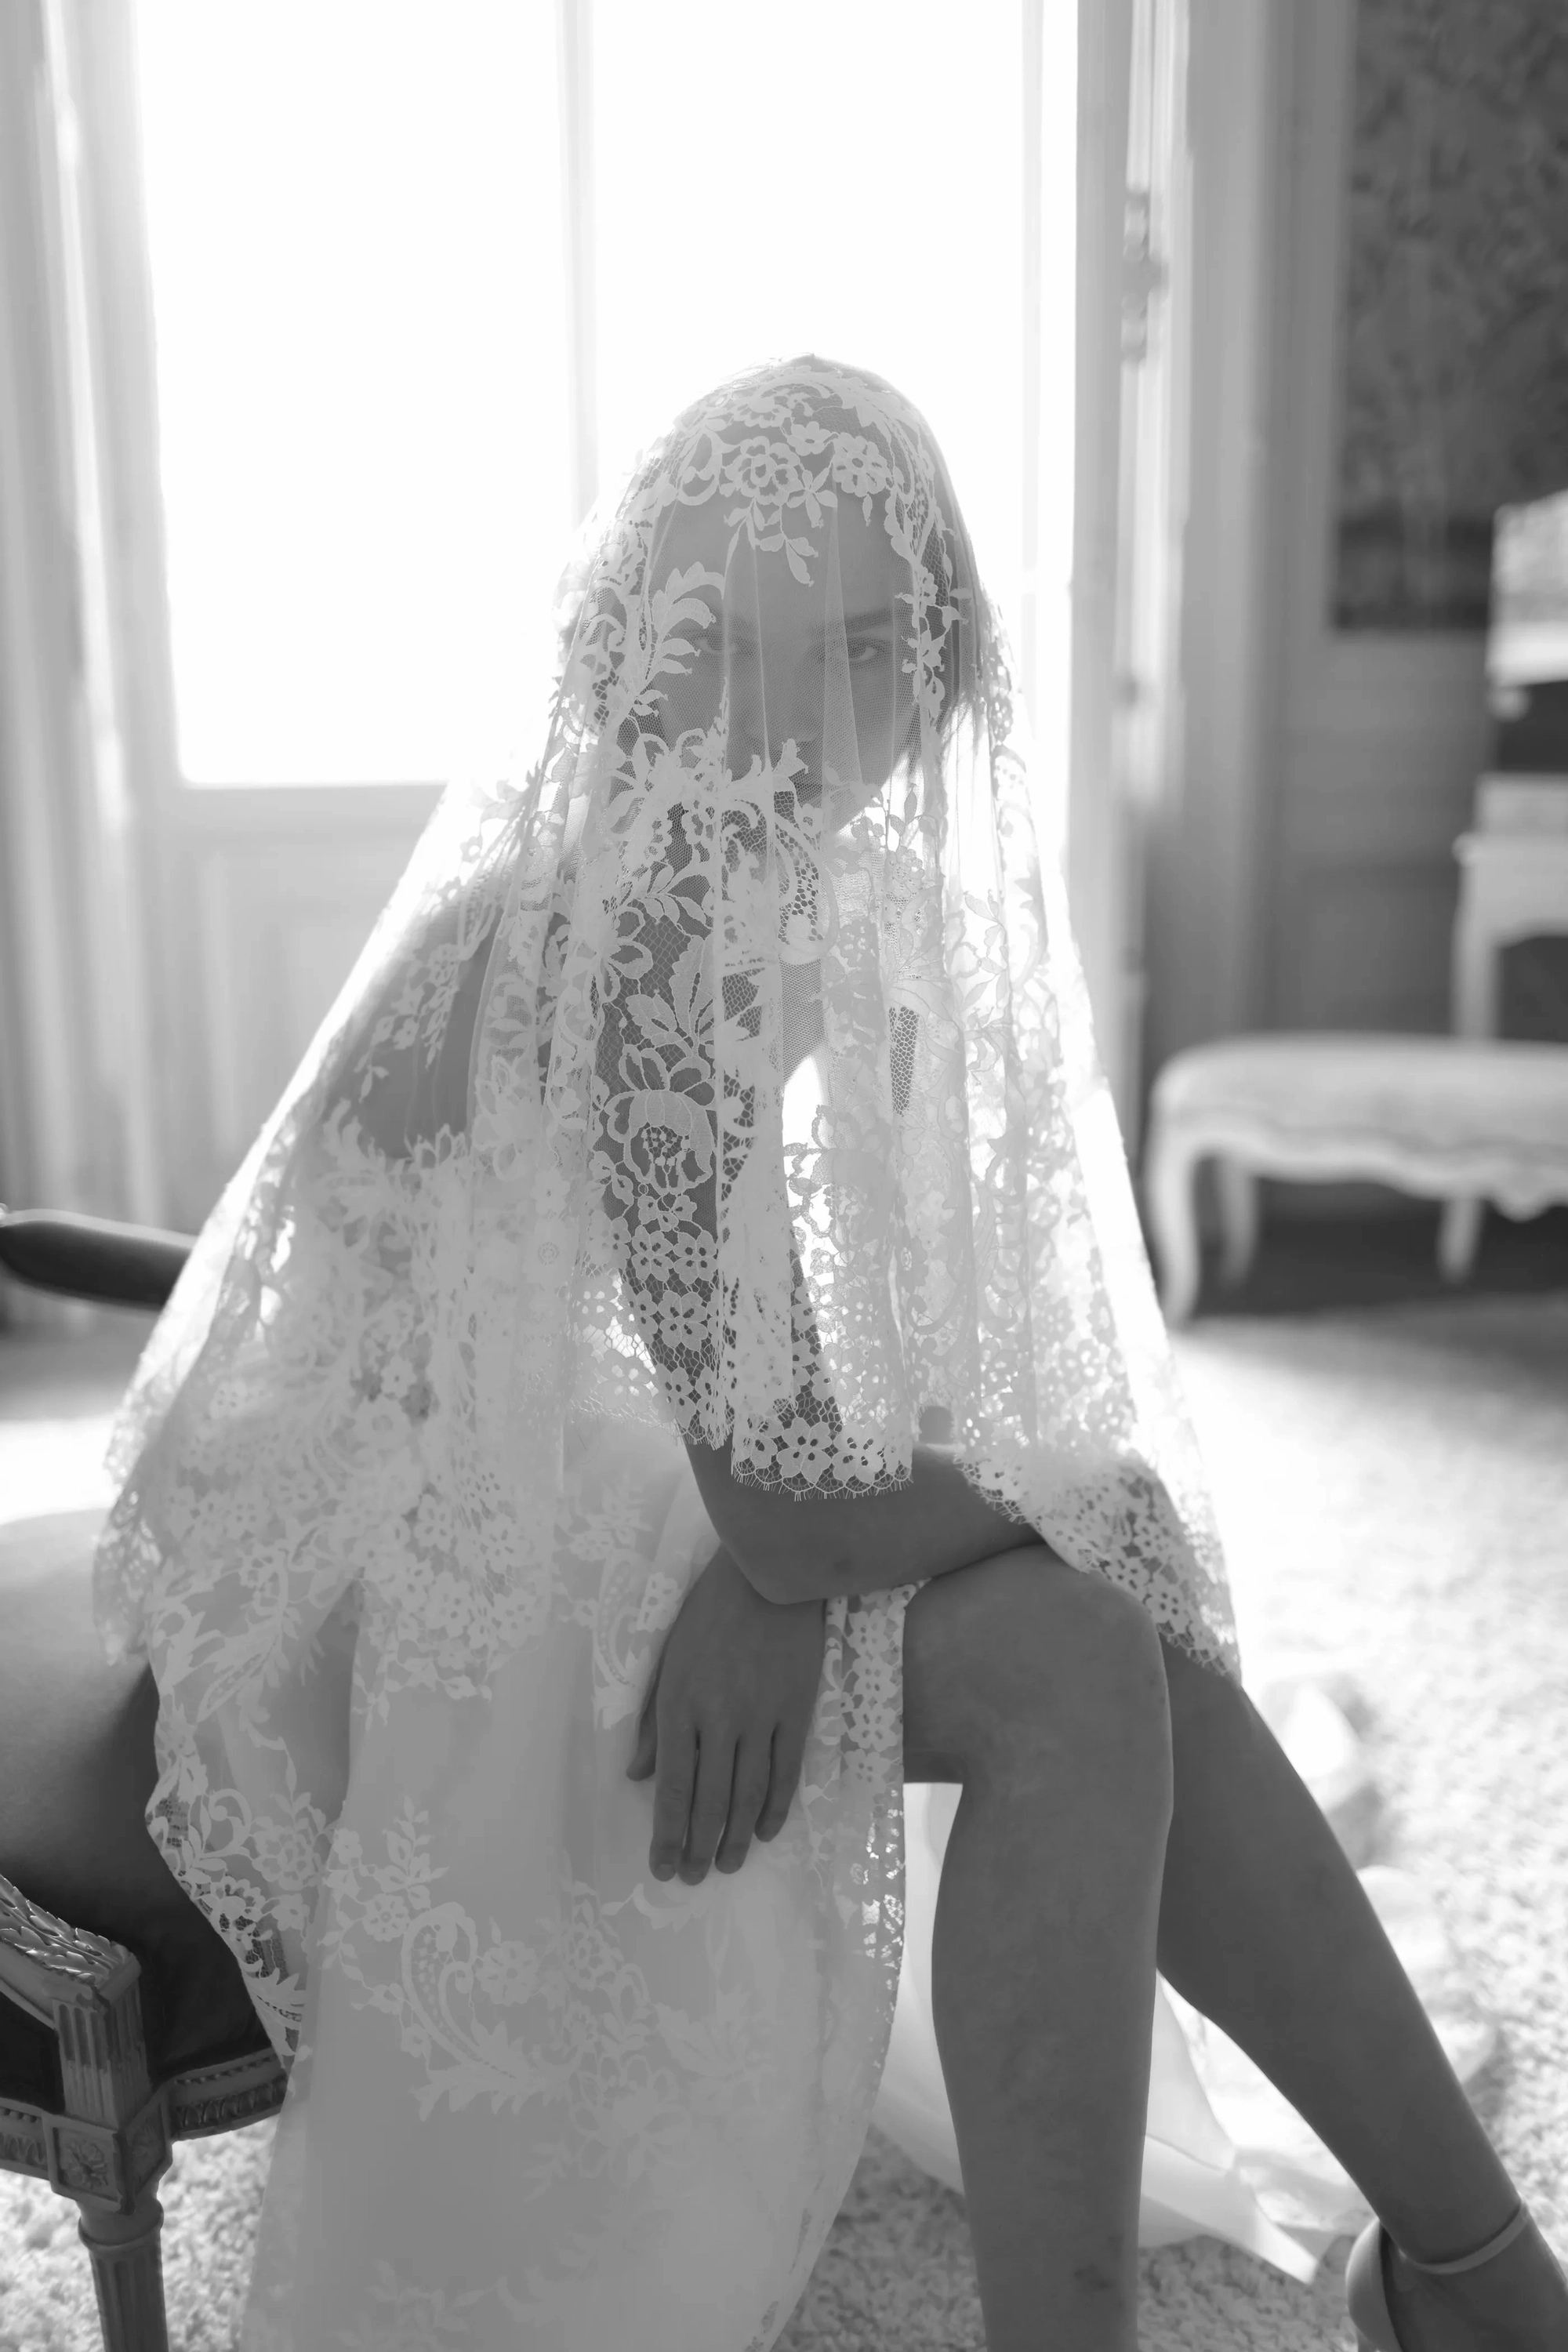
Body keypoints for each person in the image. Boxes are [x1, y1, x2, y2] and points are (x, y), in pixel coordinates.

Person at [92, 357, 1567, 2351]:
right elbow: (787, 1496)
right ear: (650, 660)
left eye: (875, 647)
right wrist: (881, 1528)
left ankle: (1465, 2268)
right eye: (752, 647)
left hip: (558, 1443)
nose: (814, 715)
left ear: (945, 661)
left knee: (1094, 1626)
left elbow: (826, 1387)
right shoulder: (650, 920)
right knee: (1075, 1637)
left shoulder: (798, 885)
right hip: (376, 1564)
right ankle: (1443, 2279)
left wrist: (793, 1550)